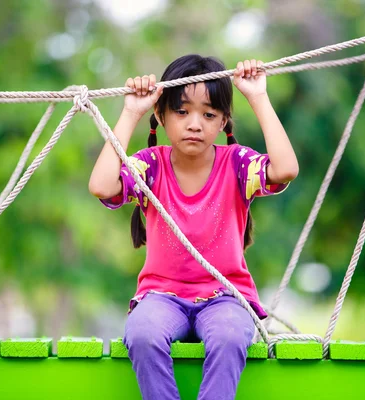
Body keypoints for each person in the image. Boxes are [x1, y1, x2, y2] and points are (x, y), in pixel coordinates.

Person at [88, 54, 299, 400]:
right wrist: (131, 112)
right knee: (142, 334)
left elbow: (286, 168)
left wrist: (258, 96)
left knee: (230, 336)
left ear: (223, 122)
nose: (195, 124)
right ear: (162, 115)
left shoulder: (237, 165)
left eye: (209, 114)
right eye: (182, 111)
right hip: (161, 297)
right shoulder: (150, 166)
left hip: (226, 298)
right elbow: (102, 185)